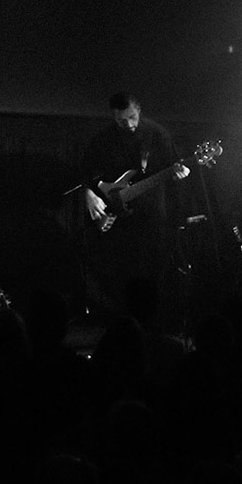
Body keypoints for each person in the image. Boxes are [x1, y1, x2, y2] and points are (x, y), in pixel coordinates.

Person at [80, 94, 189, 324]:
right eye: (121, 121)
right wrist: (89, 193)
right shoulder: (103, 139)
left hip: (151, 217)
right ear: (113, 117)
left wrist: (181, 173)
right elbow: (85, 171)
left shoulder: (157, 134)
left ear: (139, 109)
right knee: (120, 274)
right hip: (118, 222)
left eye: (132, 117)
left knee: (153, 272)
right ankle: (122, 322)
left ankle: (151, 323)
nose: (128, 125)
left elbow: (175, 166)